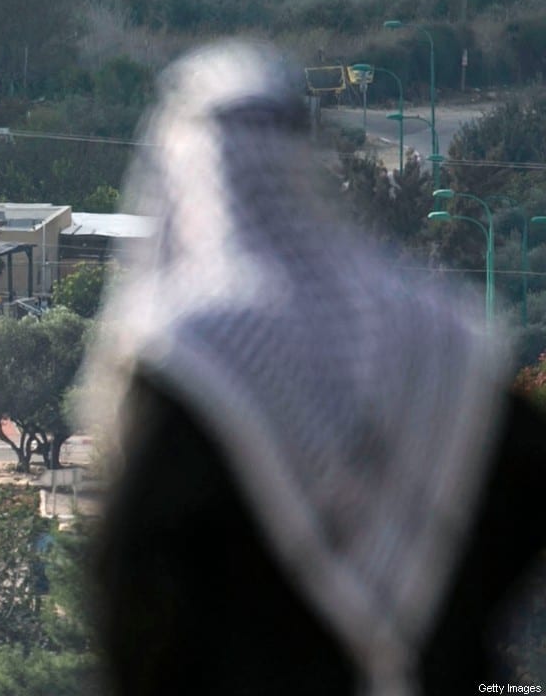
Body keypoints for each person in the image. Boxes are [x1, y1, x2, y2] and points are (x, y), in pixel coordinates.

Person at [83, 40, 546, 696]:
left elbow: (129, 577)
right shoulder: (433, 329)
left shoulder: (193, 351)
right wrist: (452, 619)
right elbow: (524, 481)